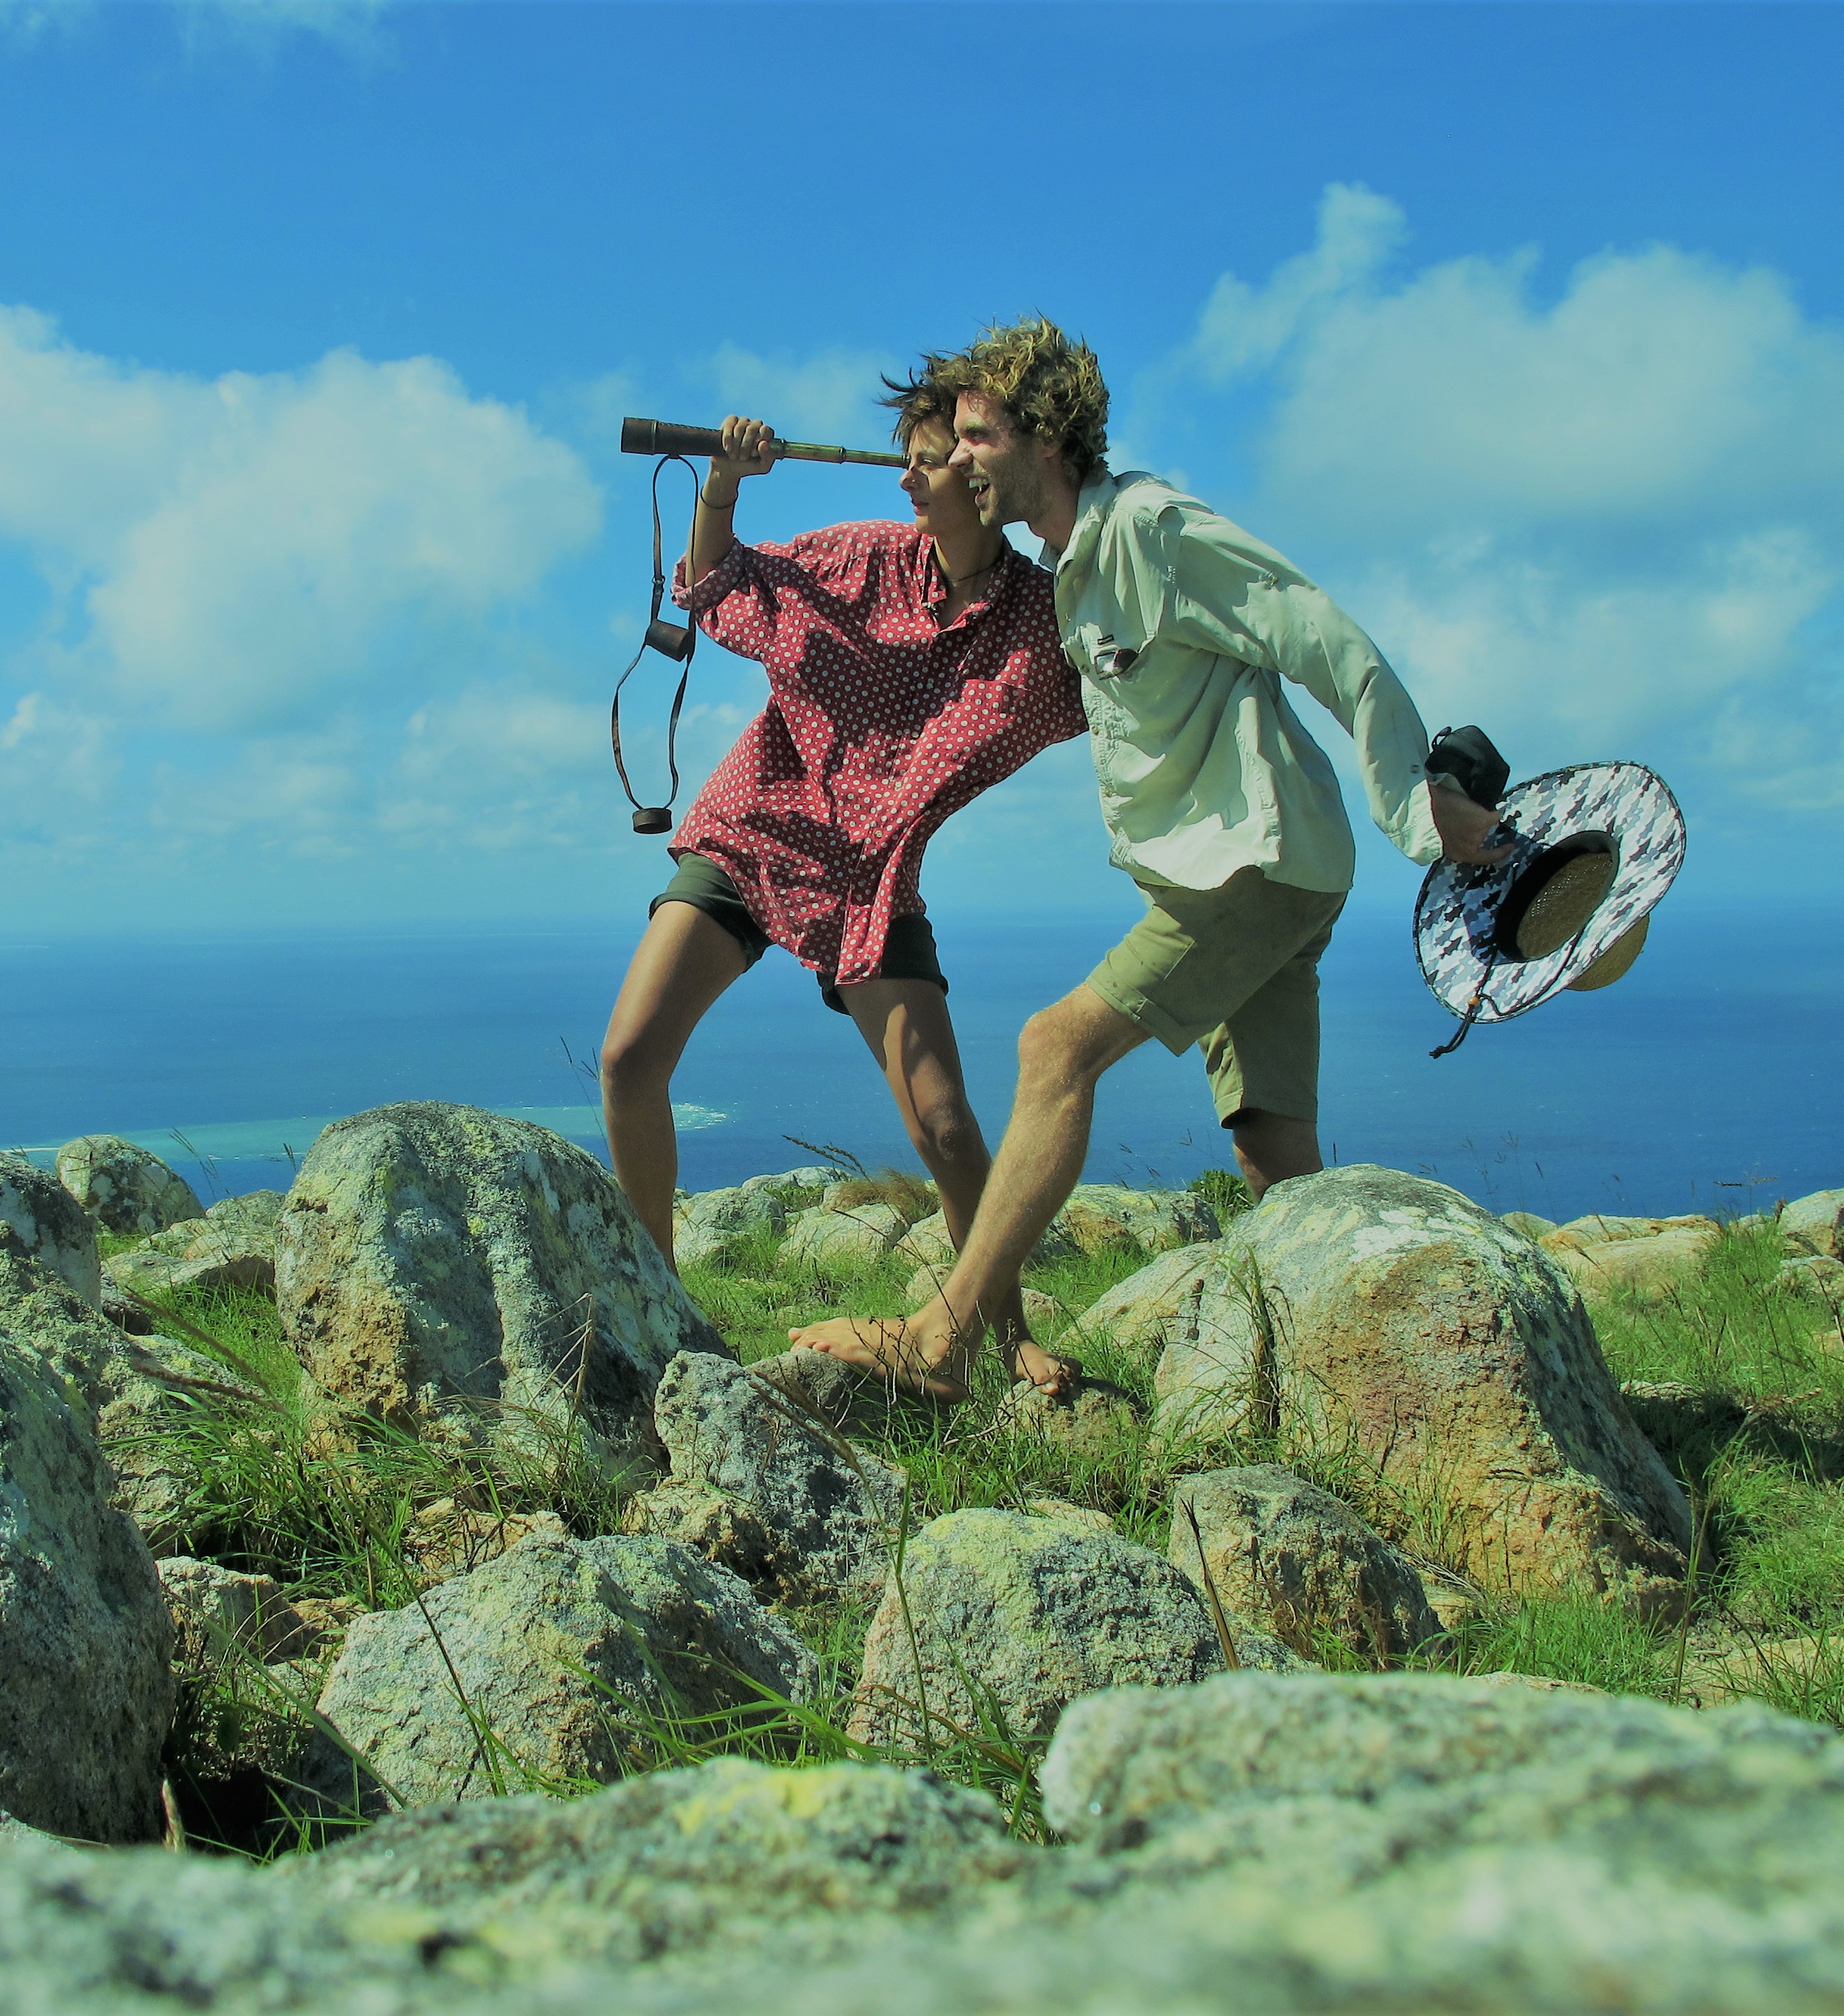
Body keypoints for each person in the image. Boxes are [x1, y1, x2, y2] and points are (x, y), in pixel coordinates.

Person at [791, 318, 1510, 1399]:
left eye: (979, 435)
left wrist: (1419, 804)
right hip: (1256, 875)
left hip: (1255, 872)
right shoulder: (1073, 571)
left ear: (1048, 438)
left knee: (1053, 1050)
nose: (960, 457)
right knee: (1274, 1153)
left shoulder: (1154, 531)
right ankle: (1357, 1385)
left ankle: (942, 1342)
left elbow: (1328, 638)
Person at [599, 375, 1087, 1393]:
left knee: (947, 1129)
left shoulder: (1044, 626)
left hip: (873, 880)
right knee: (628, 1056)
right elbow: (710, 585)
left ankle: (993, 1340)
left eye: (932, 457)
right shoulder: (855, 557)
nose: (910, 473)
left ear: (989, 477)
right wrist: (724, 484)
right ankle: (660, 1306)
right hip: (757, 831)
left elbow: (1131, 684)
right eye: (909, 454)